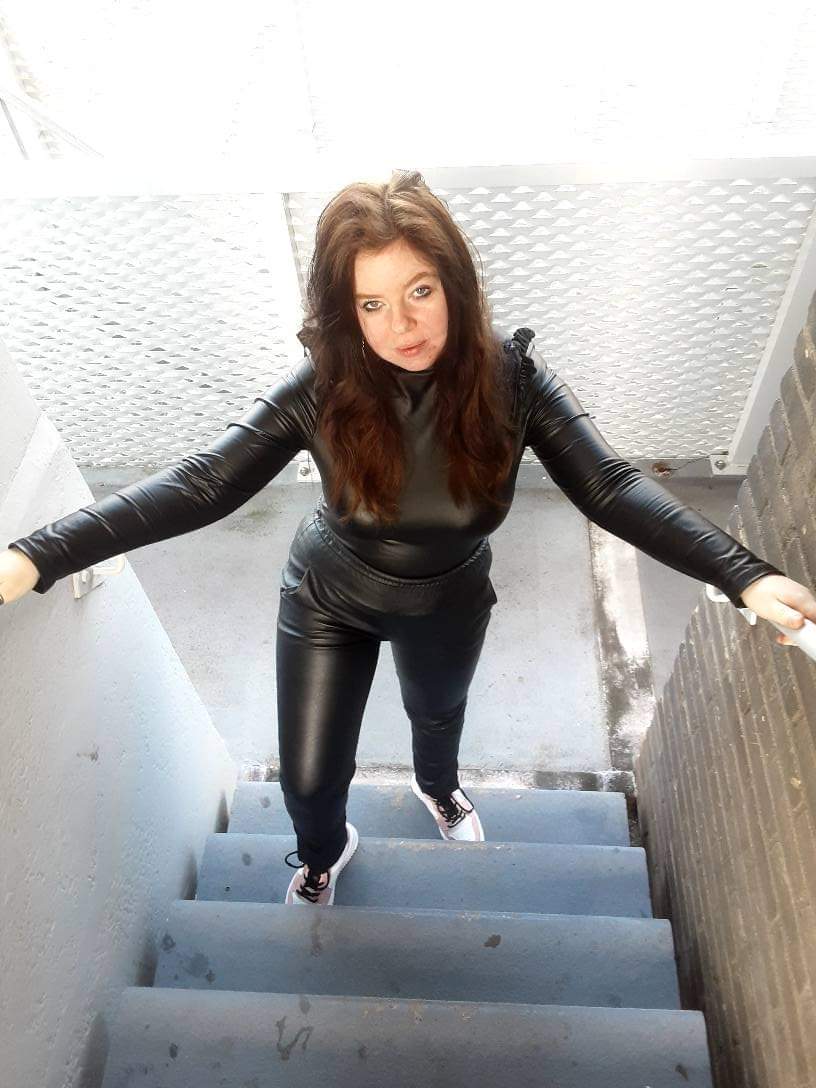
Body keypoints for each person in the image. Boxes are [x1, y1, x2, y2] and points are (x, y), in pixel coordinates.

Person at [2, 169, 815, 908]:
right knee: (308, 781)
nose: (401, 324)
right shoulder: (324, 387)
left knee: (437, 716)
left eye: (420, 290)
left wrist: (742, 575)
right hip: (330, 597)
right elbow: (202, 483)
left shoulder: (513, 381)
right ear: (346, 310)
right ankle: (322, 856)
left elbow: (608, 485)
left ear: (454, 283)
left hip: (448, 599)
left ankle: (440, 788)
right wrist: (38, 556)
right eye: (371, 304)